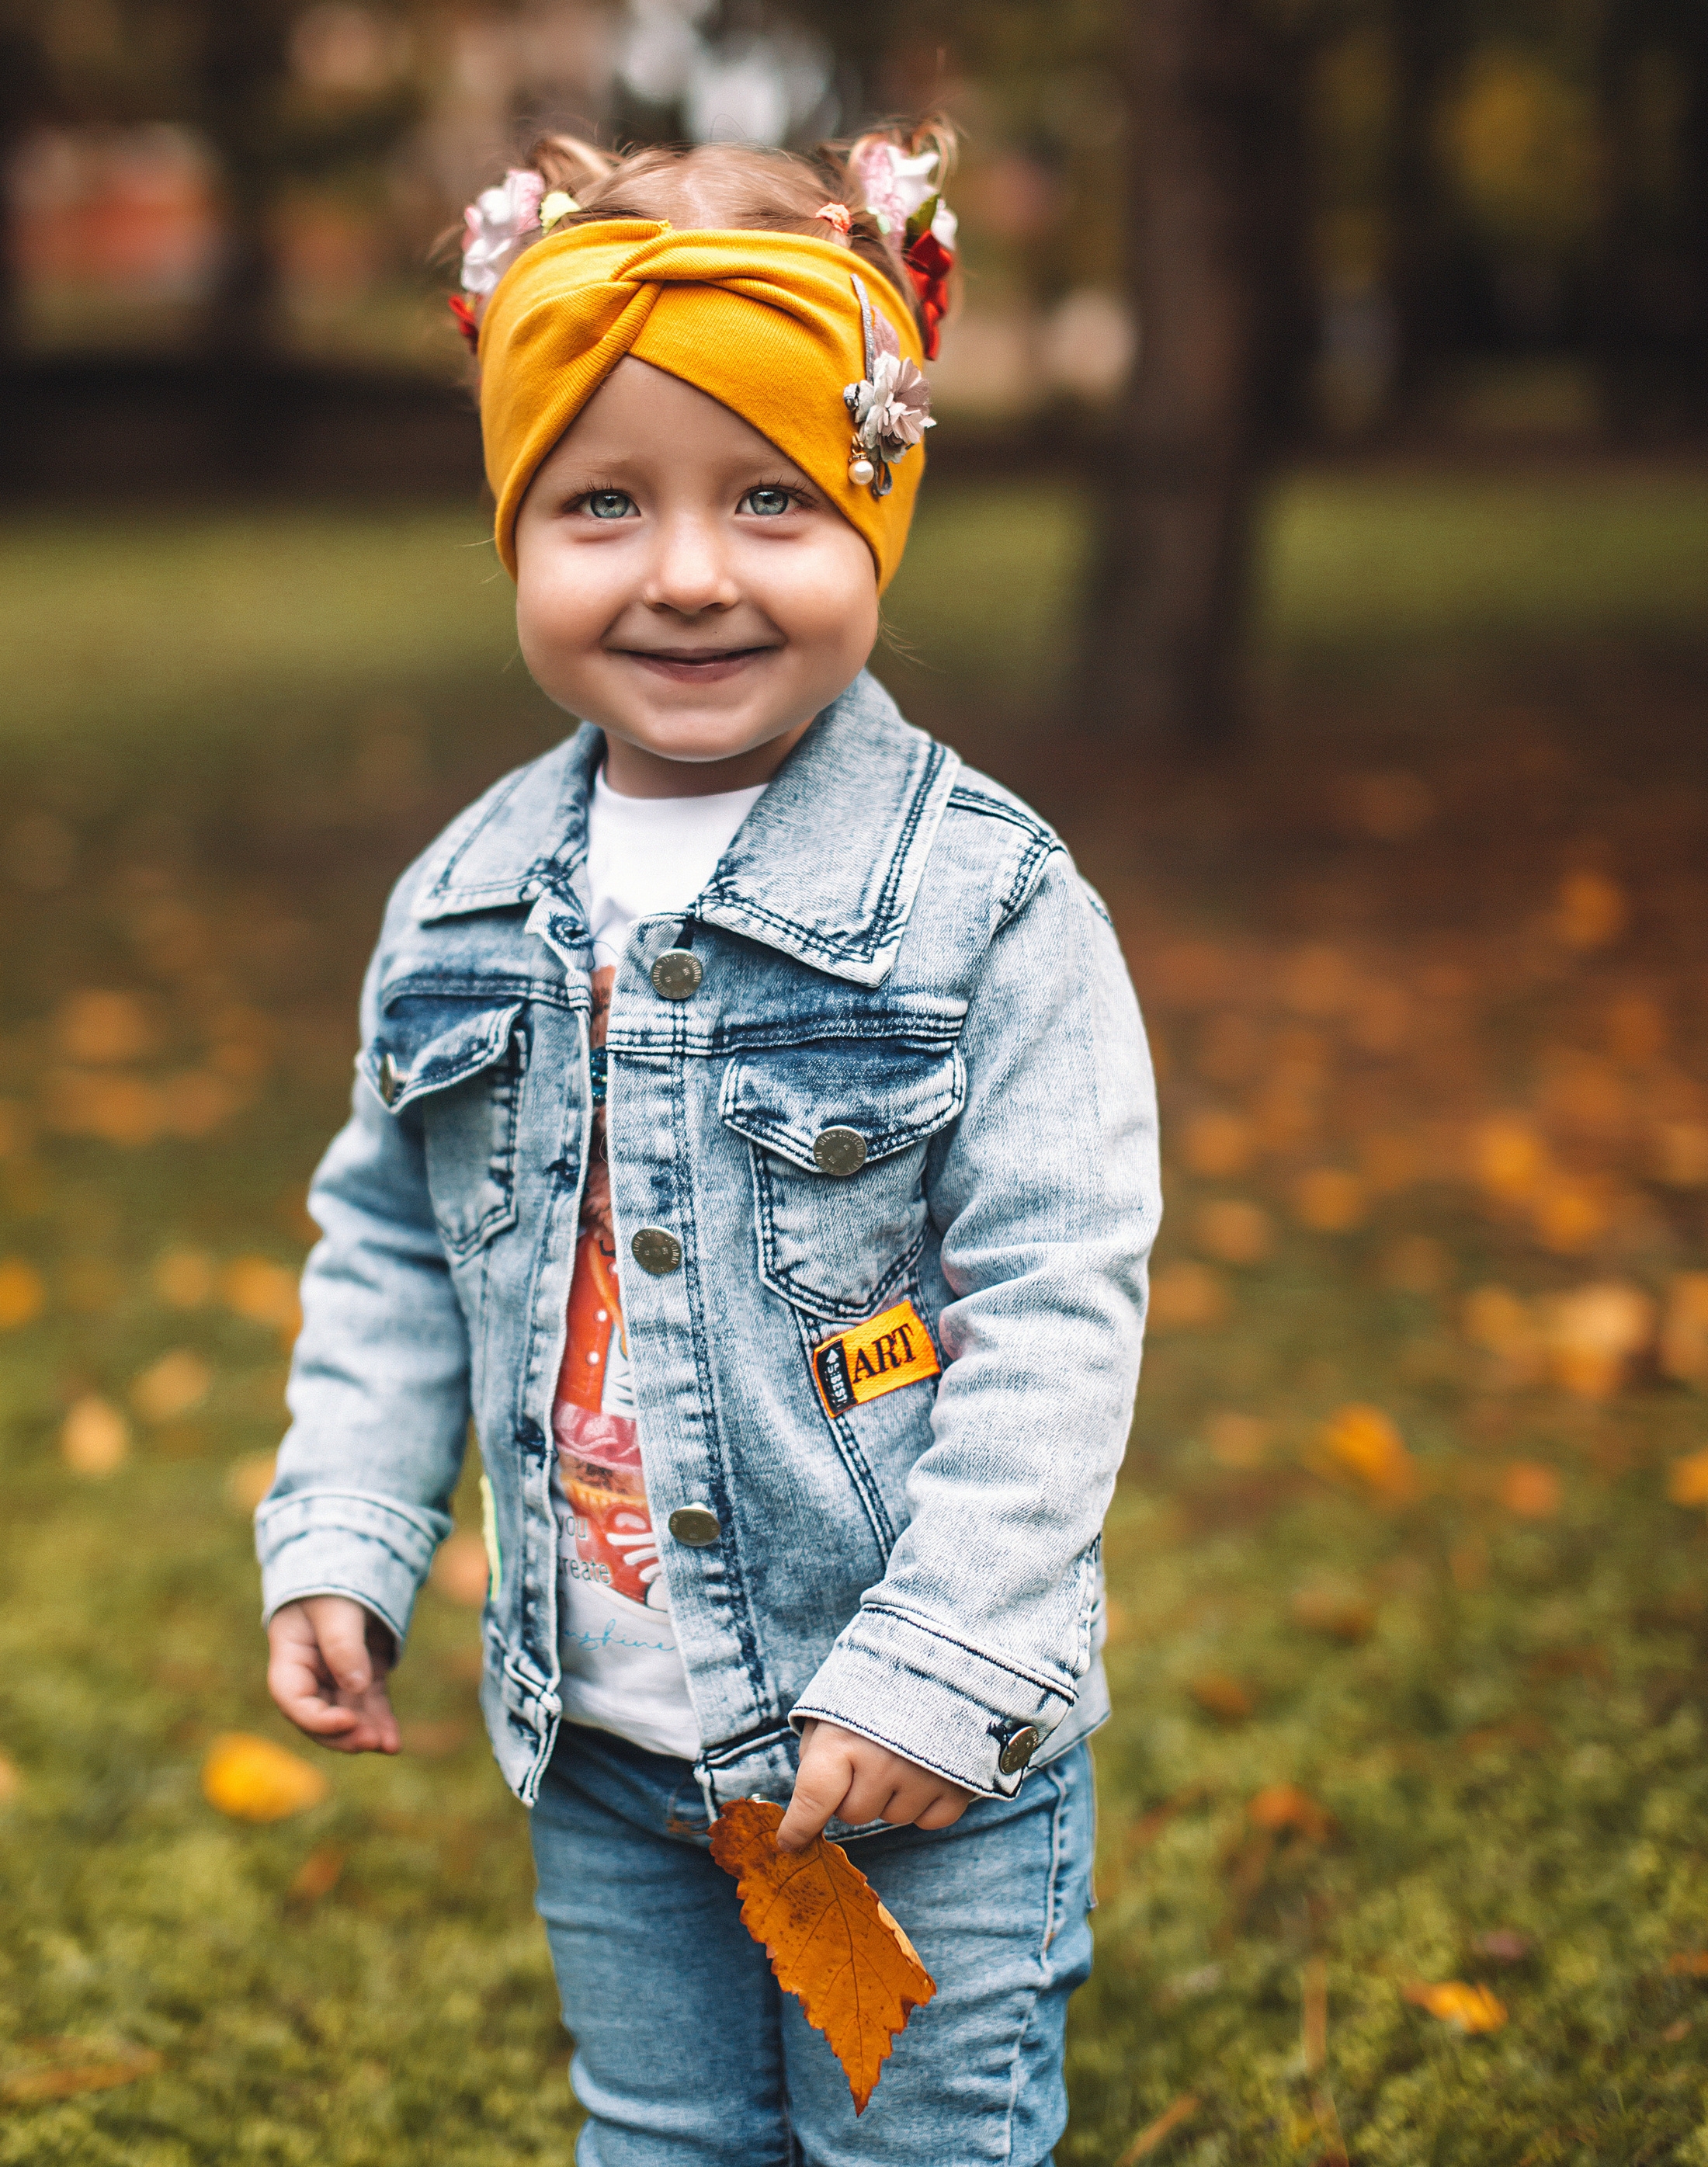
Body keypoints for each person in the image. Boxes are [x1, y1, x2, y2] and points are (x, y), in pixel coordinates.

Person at [257, 124, 1160, 2165]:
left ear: (876, 509)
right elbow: (394, 1239)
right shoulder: (466, 901)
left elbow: (1054, 1307)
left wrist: (942, 1671)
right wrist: (343, 1526)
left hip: (900, 1746)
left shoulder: (984, 905)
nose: (684, 570)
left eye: (769, 496)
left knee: (915, 2143)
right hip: (604, 1735)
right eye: (603, 503)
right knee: (658, 2138)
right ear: (513, 534)